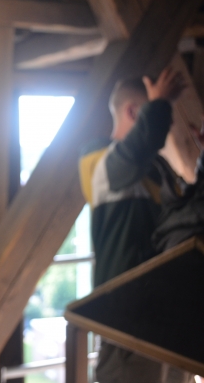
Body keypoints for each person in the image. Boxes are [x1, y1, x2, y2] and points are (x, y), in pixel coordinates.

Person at [79, 67, 192, 383]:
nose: (168, 124)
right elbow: (135, 151)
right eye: (160, 112)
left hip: (167, 317)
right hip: (128, 319)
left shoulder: (156, 170)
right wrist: (161, 104)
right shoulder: (99, 162)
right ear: (133, 112)